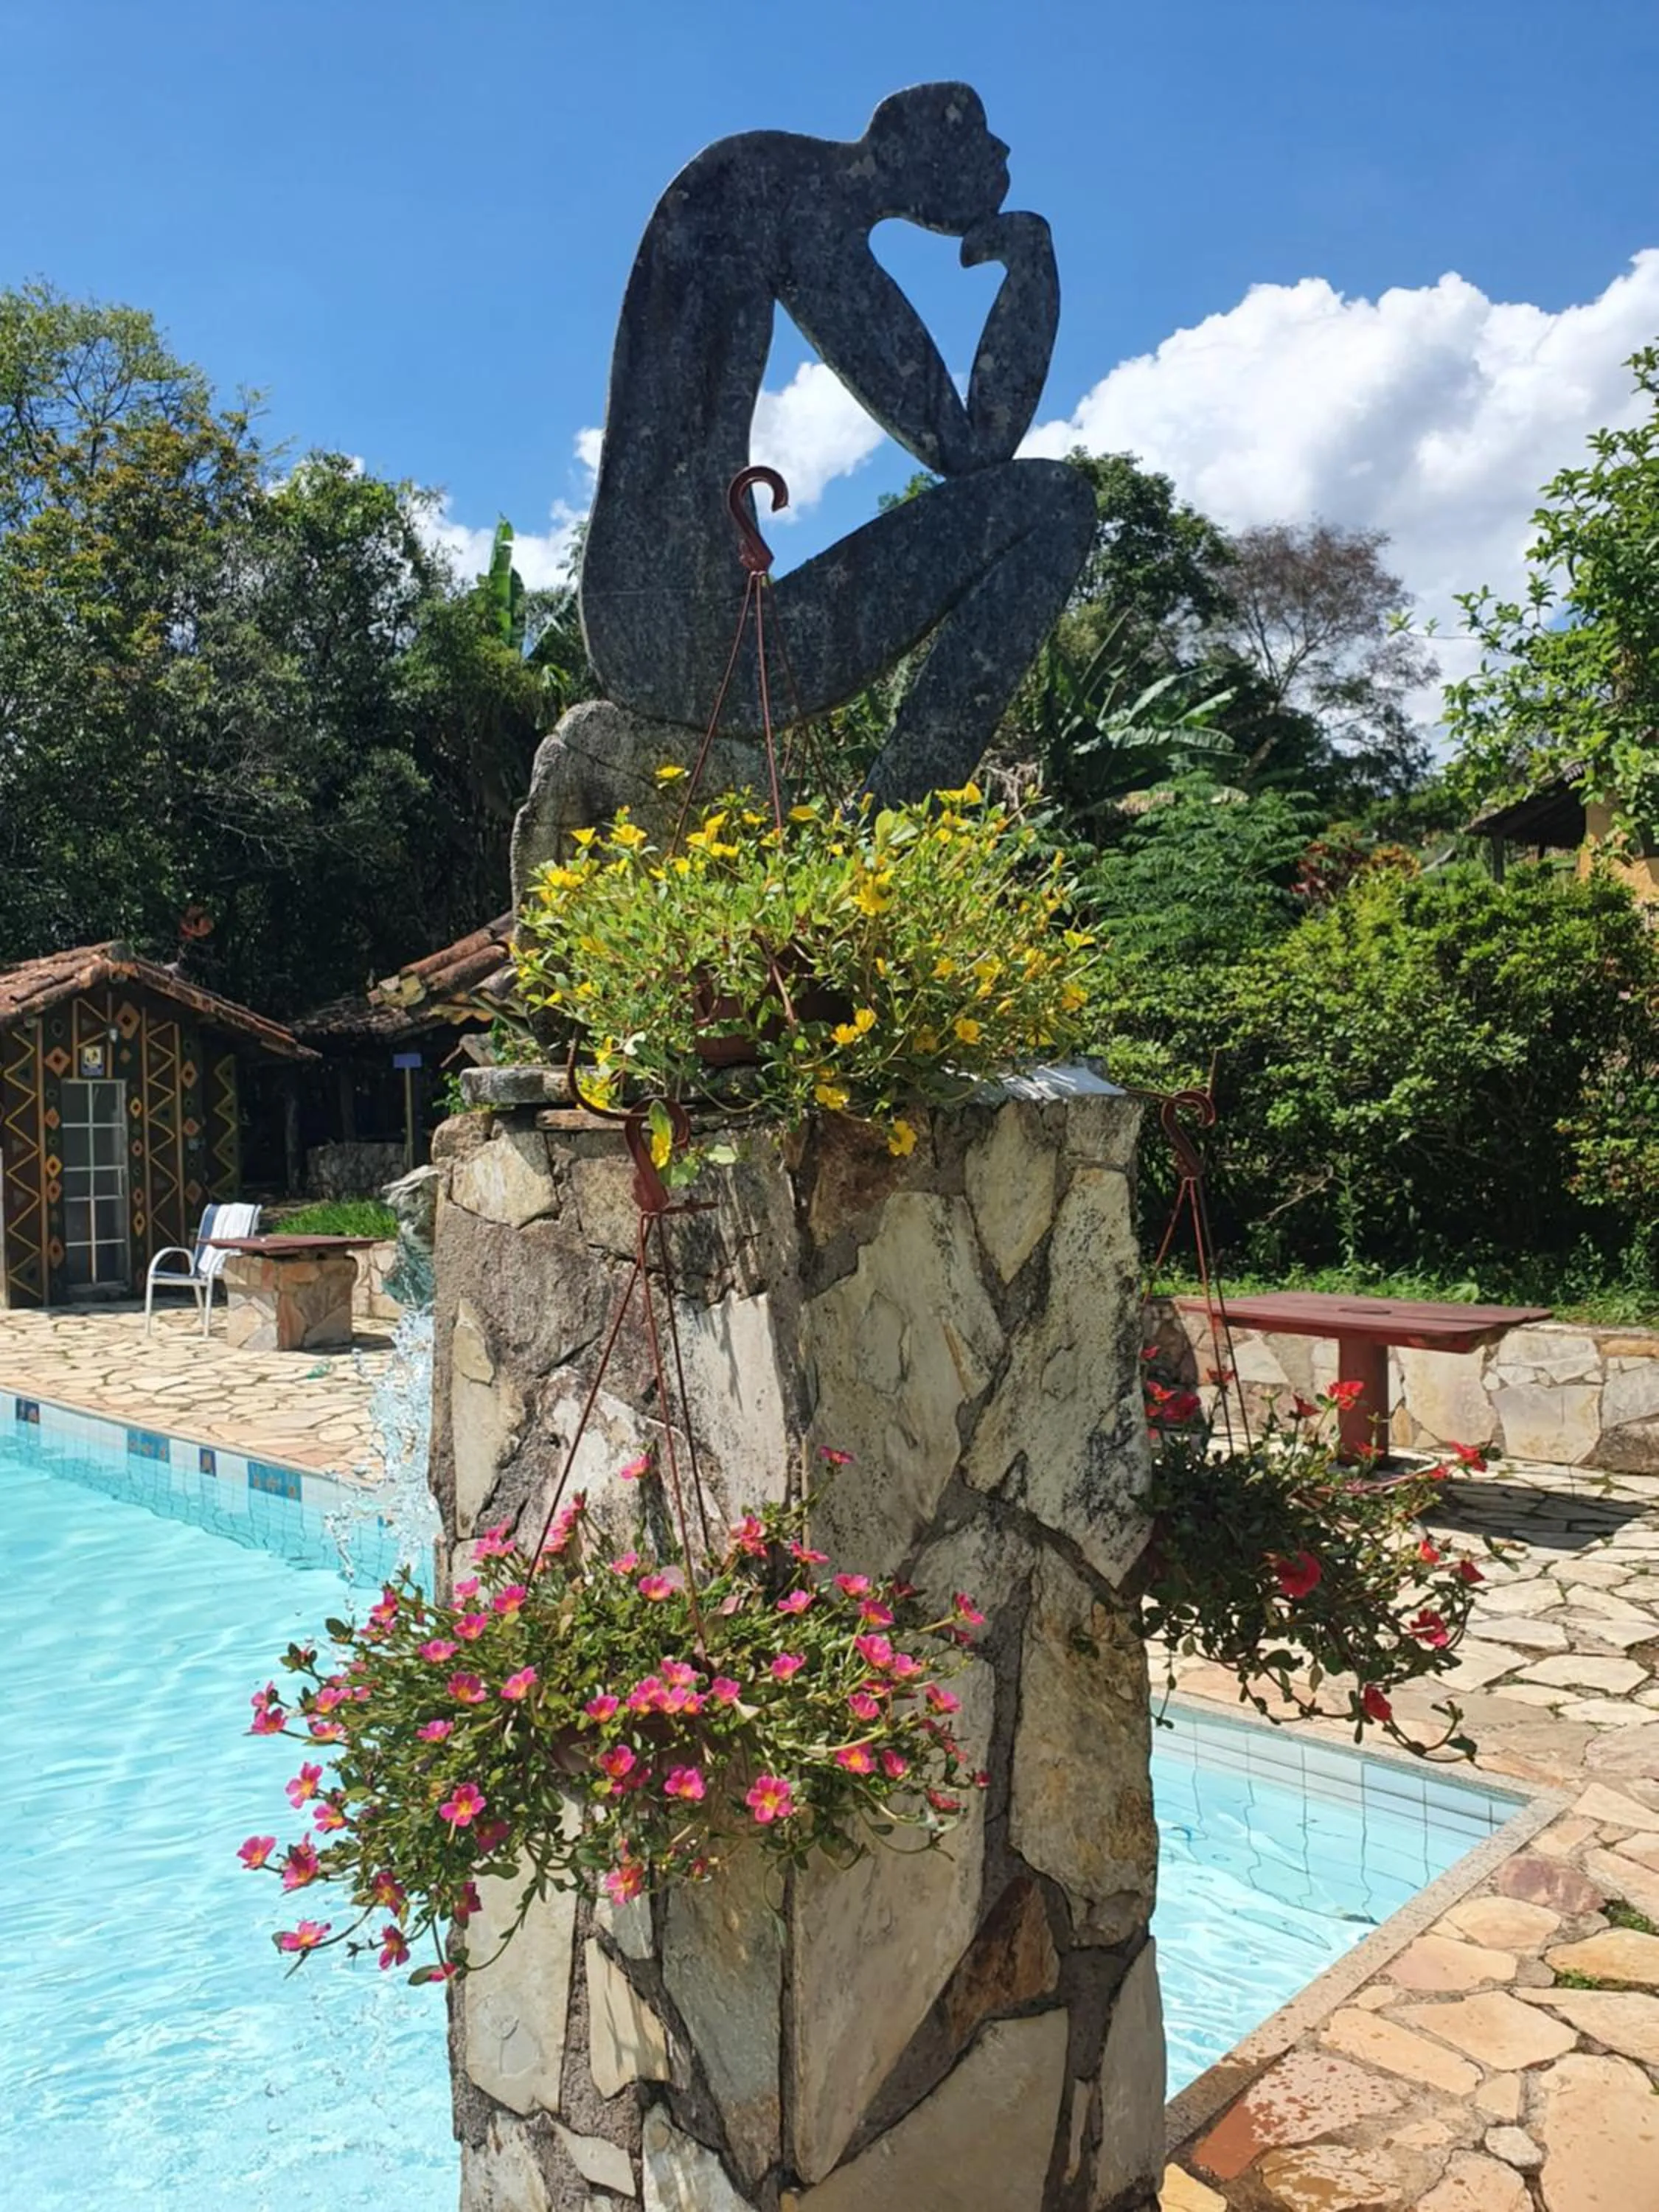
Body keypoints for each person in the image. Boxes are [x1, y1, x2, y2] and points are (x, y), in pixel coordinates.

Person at [580, 82, 1093, 805]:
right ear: (916, 150)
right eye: (977, 134)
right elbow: (974, 449)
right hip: (693, 647)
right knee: (1057, 504)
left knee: (1049, 500)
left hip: (657, 632)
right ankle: (889, 831)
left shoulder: (773, 180)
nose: (1002, 153)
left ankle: (887, 830)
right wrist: (1033, 272)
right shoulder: (789, 195)